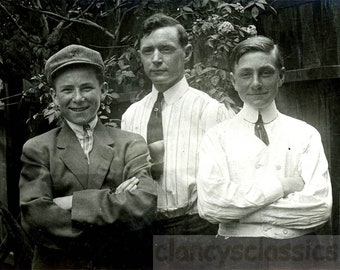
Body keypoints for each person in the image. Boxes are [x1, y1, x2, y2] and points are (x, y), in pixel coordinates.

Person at [19, 44, 157, 269]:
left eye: (86, 88)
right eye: (67, 90)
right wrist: (113, 198)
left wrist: (70, 202)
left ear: (102, 90)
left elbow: (142, 206)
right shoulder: (37, 148)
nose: (78, 98)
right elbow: (36, 218)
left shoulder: (131, 143)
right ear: (54, 96)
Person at [197, 36, 332, 241]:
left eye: (266, 73)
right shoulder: (215, 138)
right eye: (246, 74)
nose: (256, 83)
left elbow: (319, 207)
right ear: (233, 81)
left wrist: (239, 214)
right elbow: (211, 206)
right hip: (237, 253)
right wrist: (282, 186)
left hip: (297, 251)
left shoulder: (306, 134)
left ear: (281, 76)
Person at [121, 13, 235, 235]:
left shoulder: (210, 111)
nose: (156, 59)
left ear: (187, 53)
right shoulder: (131, 115)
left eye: (166, 49)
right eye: (148, 51)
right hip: (143, 228)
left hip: (196, 226)